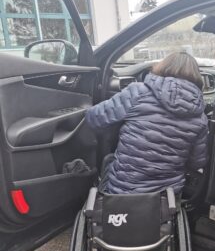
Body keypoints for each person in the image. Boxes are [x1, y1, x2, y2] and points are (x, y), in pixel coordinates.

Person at [85, 52, 208, 194]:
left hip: (123, 191)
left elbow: (94, 118)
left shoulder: (138, 92)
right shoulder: (200, 117)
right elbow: (197, 163)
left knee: (108, 160)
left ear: (163, 67)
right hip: (166, 196)